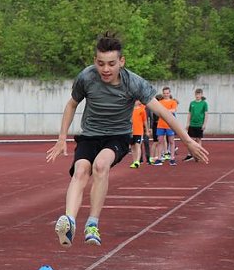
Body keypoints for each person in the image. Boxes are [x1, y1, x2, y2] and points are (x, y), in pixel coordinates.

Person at [46, 33, 209, 247]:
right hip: (89, 135)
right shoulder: (86, 77)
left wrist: (187, 140)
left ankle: (92, 224)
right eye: (101, 63)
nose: (105, 69)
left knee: (100, 165)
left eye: (111, 64)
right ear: (95, 61)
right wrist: (61, 138)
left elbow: (163, 112)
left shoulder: (133, 83)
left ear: (121, 62)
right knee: (80, 170)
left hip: (117, 136)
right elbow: (71, 104)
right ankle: (69, 222)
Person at [156, 86, 178, 165]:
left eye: (167, 93)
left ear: (170, 93)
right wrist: (166, 111)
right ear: (163, 94)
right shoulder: (160, 102)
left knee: (171, 141)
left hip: (170, 124)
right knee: (160, 141)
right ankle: (159, 158)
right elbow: (158, 111)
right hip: (161, 124)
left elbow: (174, 110)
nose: (166, 94)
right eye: (164, 93)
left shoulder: (173, 102)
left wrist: (164, 111)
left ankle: (172, 158)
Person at [183, 88, 208, 161]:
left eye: (199, 94)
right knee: (191, 139)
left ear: (201, 95)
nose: (197, 96)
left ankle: (199, 154)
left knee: (198, 139)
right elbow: (190, 113)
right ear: (195, 95)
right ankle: (190, 154)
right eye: (196, 94)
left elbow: (206, 114)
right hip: (192, 124)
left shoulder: (204, 103)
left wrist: (204, 124)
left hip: (199, 124)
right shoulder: (192, 103)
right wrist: (187, 123)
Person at [130, 100, 148, 168]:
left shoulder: (142, 110)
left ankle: (137, 161)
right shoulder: (130, 109)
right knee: (132, 146)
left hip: (139, 131)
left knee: (138, 145)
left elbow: (145, 121)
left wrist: (147, 130)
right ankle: (134, 161)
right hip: (131, 131)